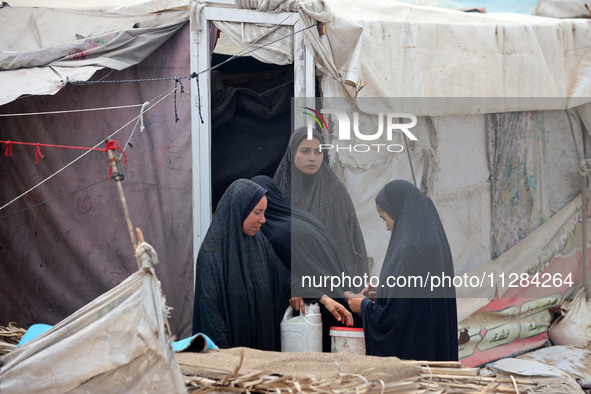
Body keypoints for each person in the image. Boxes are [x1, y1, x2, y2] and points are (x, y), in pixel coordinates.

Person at [346, 180, 458, 361]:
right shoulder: (433, 242)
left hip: (416, 359)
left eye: (385, 218)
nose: (388, 227)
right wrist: (384, 292)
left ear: (398, 211)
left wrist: (364, 306)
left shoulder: (410, 249)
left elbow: (397, 319)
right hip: (435, 348)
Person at [251, 175, 359, 351]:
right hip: (339, 296)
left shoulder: (276, 233)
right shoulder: (302, 218)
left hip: (322, 309)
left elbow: (285, 272)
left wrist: (302, 289)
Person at [192, 179, 290, 351]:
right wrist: (227, 356)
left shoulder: (261, 244)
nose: (263, 220)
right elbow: (209, 312)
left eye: (264, 212)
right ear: (239, 209)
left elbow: (284, 278)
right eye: (257, 212)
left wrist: (316, 296)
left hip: (260, 360)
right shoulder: (212, 254)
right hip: (230, 362)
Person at [274, 127, 368, 291]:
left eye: (318, 152)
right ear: (292, 153)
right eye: (305, 151)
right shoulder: (279, 190)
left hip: (330, 283)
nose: (312, 158)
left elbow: (348, 242)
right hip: (287, 283)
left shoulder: (333, 190)